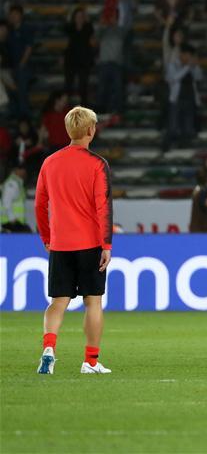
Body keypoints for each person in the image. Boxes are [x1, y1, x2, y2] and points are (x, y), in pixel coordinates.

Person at [34, 106, 113, 375]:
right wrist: (106, 245)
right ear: (91, 130)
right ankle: (90, 362)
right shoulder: (97, 164)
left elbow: (39, 205)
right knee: (93, 302)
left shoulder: (50, 162)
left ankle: (49, 349)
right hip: (90, 244)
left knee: (58, 302)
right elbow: (103, 206)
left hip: (60, 244)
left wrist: (47, 237)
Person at [1, 163, 28, 231]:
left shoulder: (18, 182)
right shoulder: (12, 183)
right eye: (21, 169)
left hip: (15, 221)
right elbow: (6, 201)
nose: (24, 172)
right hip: (10, 222)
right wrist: (12, 218)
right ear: (16, 170)